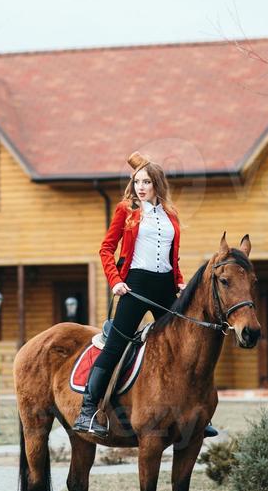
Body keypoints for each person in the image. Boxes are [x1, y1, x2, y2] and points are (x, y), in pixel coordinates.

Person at [73, 151, 218, 440]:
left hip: (165, 286)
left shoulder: (170, 214)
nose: (141, 187)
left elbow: (171, 257)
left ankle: (192, 412)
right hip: (135, 284)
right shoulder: (126, 211)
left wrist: (178, 282)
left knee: (182, 344)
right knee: (116, 343)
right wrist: (115, 280)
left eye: (147, 182)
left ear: (157, 185)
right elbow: (106, 249)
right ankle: (88, 410)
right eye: (137, 181)